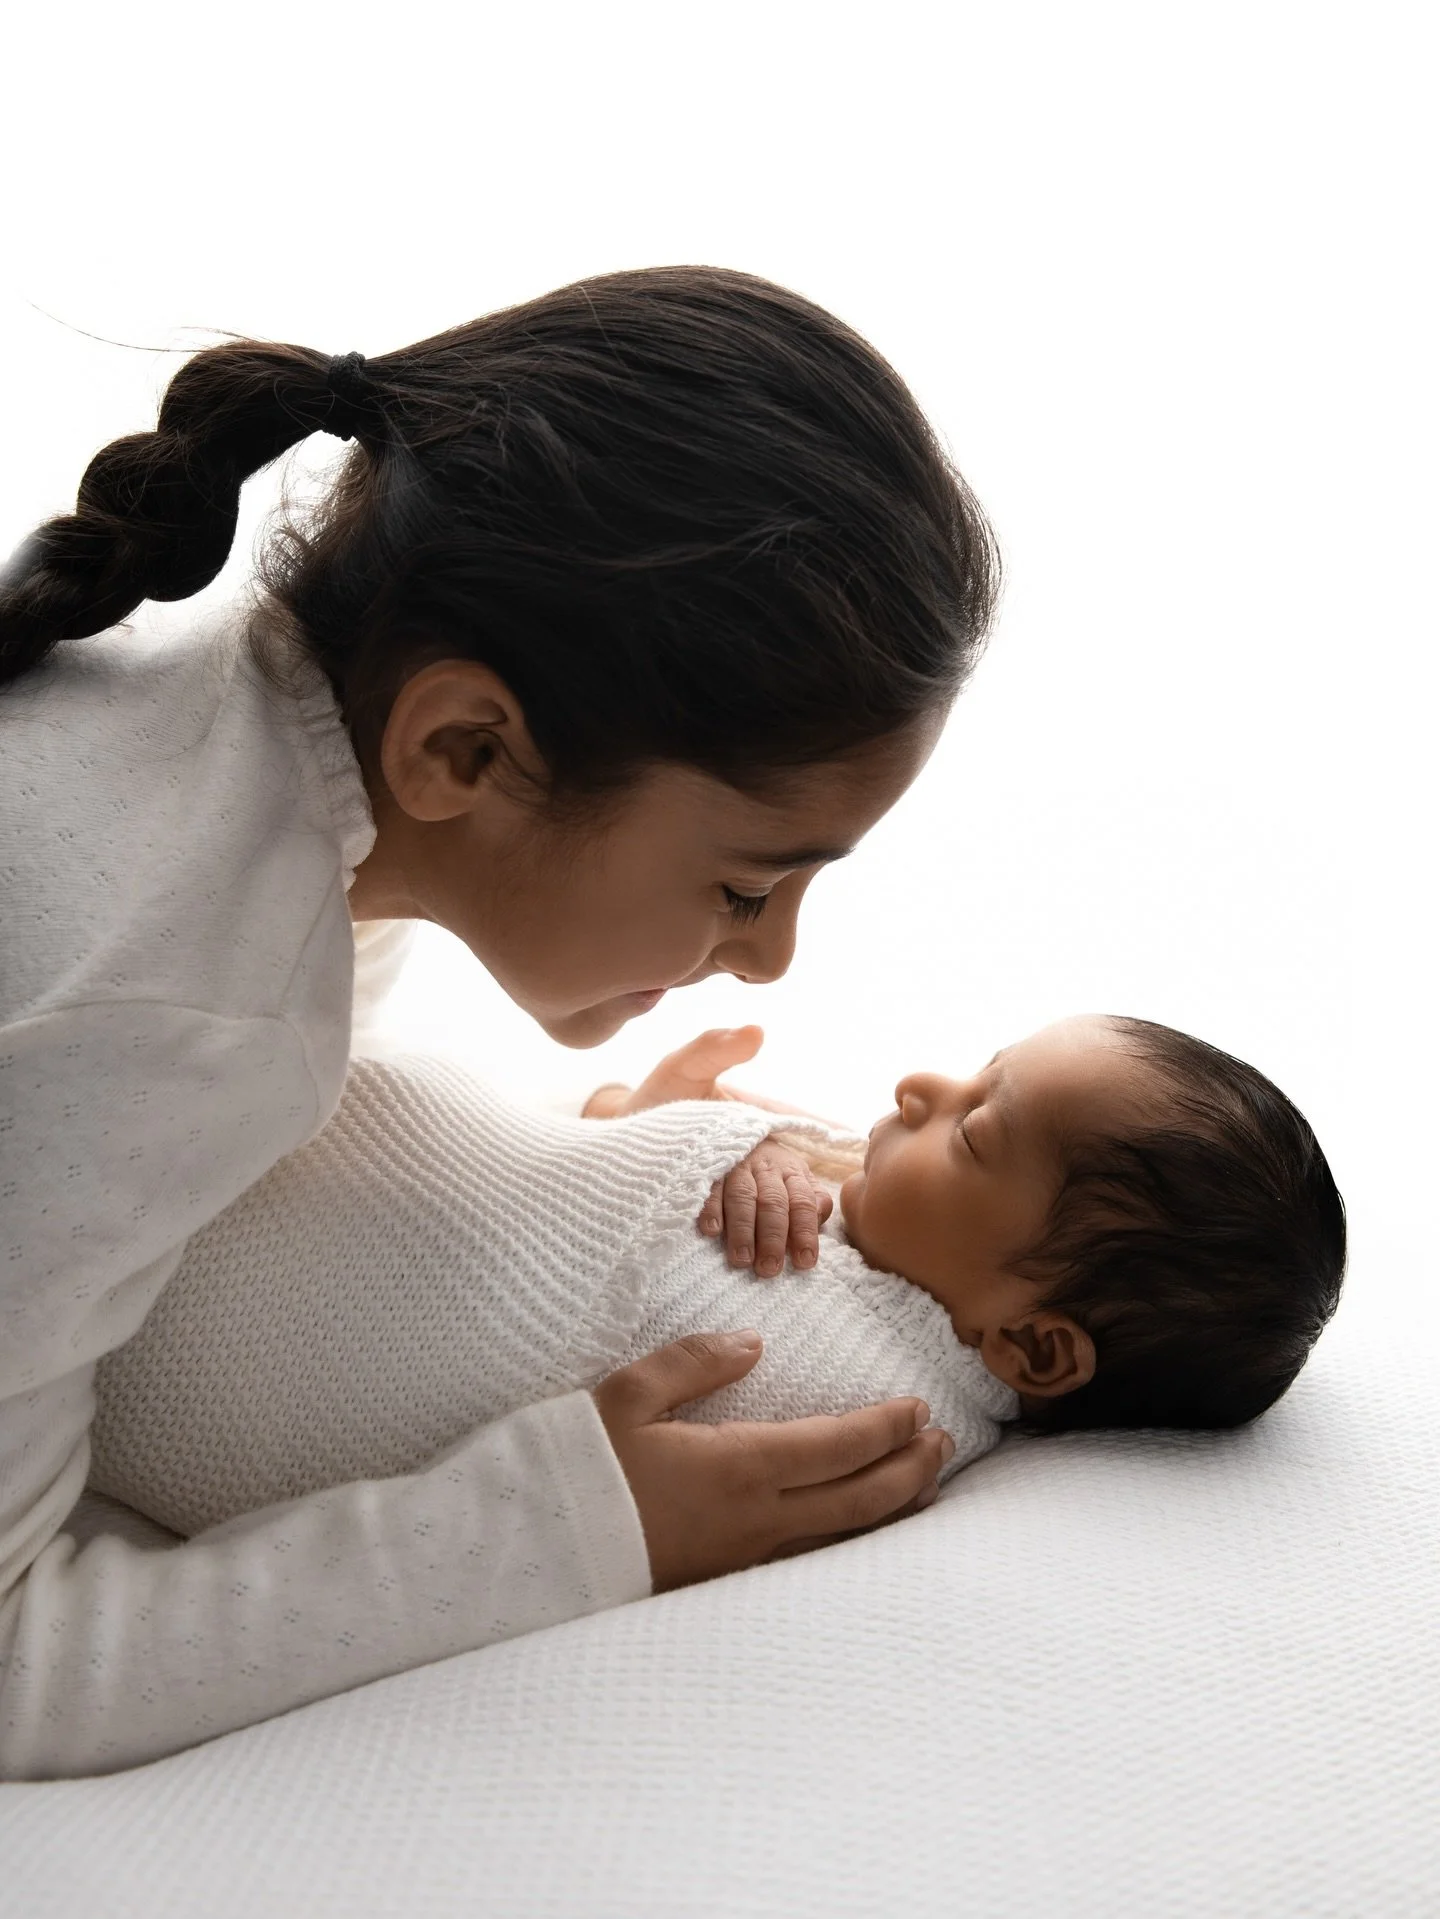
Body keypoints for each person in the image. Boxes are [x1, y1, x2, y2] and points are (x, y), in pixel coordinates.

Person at [0, 265, 998, 1779]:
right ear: (462, 747)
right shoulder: (178, 1013)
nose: (774, 959)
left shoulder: (187, 715)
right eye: (747, 886)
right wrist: (570, 1523)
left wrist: (598, 1149)